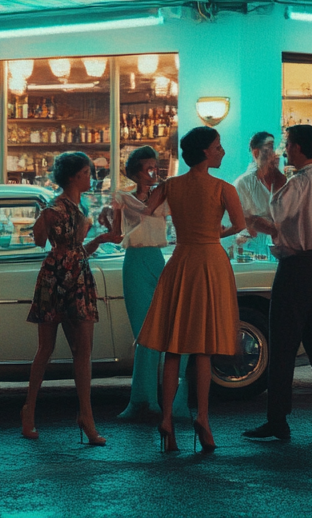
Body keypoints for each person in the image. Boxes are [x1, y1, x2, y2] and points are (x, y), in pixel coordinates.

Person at [137, 127, 245, 452]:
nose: (222, 151)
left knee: (173, 347)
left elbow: (144, 212)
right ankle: (203, 418)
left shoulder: (170, 186)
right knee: (203, 349)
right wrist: (214, 233)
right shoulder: (223, 189)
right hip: (210, 261)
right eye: (218, 147)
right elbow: (239, 225)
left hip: (181, 260)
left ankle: (167, 418)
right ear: (205, 153)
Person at [243, 124, 312, 441]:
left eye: (288, 144)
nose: (284, 150)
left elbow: (273, 223)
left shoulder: (296, 184)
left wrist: (246, 217)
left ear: (299, 148)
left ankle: (278, 420)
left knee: (284, 346)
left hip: (295, 268)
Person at [20, 152, 122, 445]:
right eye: (88, 172)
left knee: (75, 351)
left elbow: (73, 250)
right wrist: (49, 223)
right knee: (50, 349)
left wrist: (99, 239)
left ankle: (83, 416)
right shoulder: (57, 207)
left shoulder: (77, 206)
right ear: (75, 176)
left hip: (70, 277)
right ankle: (34, 411)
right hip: (62, 280)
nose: (91, 177)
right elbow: (42, 241)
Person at [112, 146, 187, 421]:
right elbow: (122, 225)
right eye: (147, 168)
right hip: (134, 260)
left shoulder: (164, 196)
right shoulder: (123, 197)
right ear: (134, 172)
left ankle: (165, 398)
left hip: (157, 259)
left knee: (167, 328)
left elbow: (178, 219)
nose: (153, 172)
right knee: (144, 333)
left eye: (155, 166)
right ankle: (142, 399)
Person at [232, 131, 276, 259]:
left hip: (278, 246)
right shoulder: (243, 183)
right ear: (256, 153)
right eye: (271, 148)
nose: (275, 154)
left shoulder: (280, 181)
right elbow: (240, 220)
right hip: (253, 249)